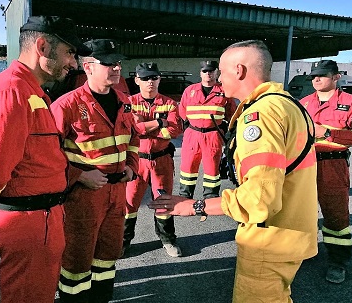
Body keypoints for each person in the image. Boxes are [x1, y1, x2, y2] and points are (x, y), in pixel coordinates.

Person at [149, 40, 318, 302]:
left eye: (223, 72)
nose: (219, 78)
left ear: (239, 70)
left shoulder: (261, 115)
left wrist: (193, 207)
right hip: (288, 232)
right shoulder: (287, 104)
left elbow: (258, 198)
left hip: (268, 239)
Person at [0, 15, 91, 303]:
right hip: (27, 221)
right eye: (70, 53)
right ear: (43, 46)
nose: (74, 64)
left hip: (38, 217)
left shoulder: (28, 90)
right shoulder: (12, 91)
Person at [50, 38, 139, 303]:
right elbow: (46, 154)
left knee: (108, 256)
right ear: (88, 67)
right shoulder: (66, 105)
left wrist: (132, 168)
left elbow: (133, 139)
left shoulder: (125, 102)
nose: (116, 69)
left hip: (116, 193)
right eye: (108, 63)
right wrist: (79, 175)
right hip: (84, 196)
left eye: (118, 63)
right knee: (77, 260)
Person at [300, 60, 352, 284]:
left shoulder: (351, 102)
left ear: (336, 77)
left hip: (333, 165)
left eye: (322, 75)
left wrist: (329, 133)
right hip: (304, 166)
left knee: (335, 215)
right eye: (314, 76)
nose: (316, 79)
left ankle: (338, 261)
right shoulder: (303, 103)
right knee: (302, 212)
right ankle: (304, 251)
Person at [122, 62, 183, 258]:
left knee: (163, 202)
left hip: (161, 161)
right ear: (137, 80)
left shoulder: (170, 103)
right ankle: (123, 242)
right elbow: (131, 129)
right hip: (136, 161)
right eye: (146, 78)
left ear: (159, 79)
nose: (150, 81)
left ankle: (168, 240)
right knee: (129, 203)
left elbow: (174, 131)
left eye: (154, 77)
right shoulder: (128, 102)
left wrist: (144, 126)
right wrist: (158, 123)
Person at [178, 60, 236, 215]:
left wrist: (228, 131)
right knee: (188, 167)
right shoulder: (190, 90)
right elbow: (182, 111)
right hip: (193, 134)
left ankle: (210, 198)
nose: (208, 74)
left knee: (212, 169)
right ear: (200, 73)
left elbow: (232, 113)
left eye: (211, 71)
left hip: (212, 135)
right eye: (205, 71)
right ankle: (185, 196)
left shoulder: (224, 92)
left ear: (216, 72)